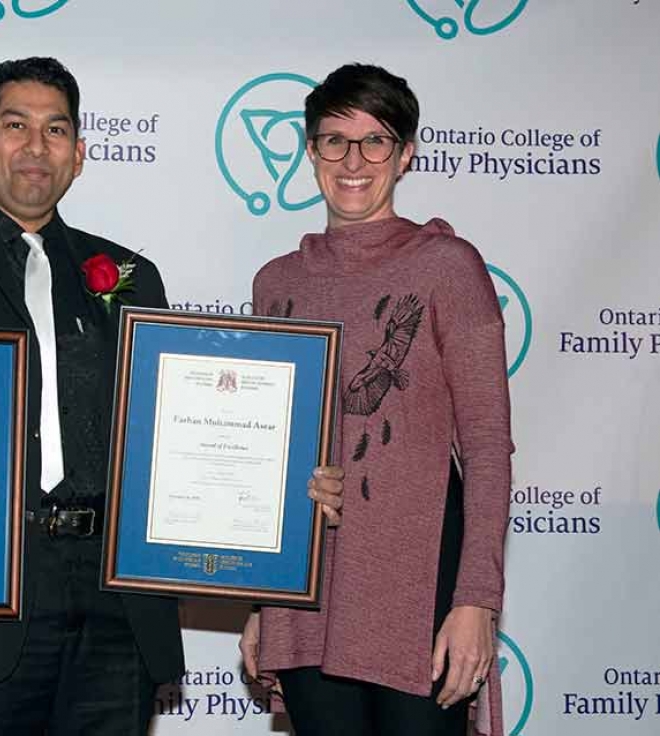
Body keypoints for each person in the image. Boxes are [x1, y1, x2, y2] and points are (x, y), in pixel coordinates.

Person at [0, 56, 346, 735]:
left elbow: (178, 439)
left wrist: (283, 496)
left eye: (55, 130)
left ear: (78, 155)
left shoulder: (130, 277)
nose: (34, 146)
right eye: (14, 125)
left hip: (115, 605)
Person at [239, 63, 514, 736]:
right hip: (308, 591)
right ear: (310, 152)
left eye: (375, 141)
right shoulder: (276, 284)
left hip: (418, 584)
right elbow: (267, 458)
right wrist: (259, 599)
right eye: (334, 141)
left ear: (407, 153)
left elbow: (486, 447)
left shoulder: (448, 267)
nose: (353, 161)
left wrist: (476, 601)